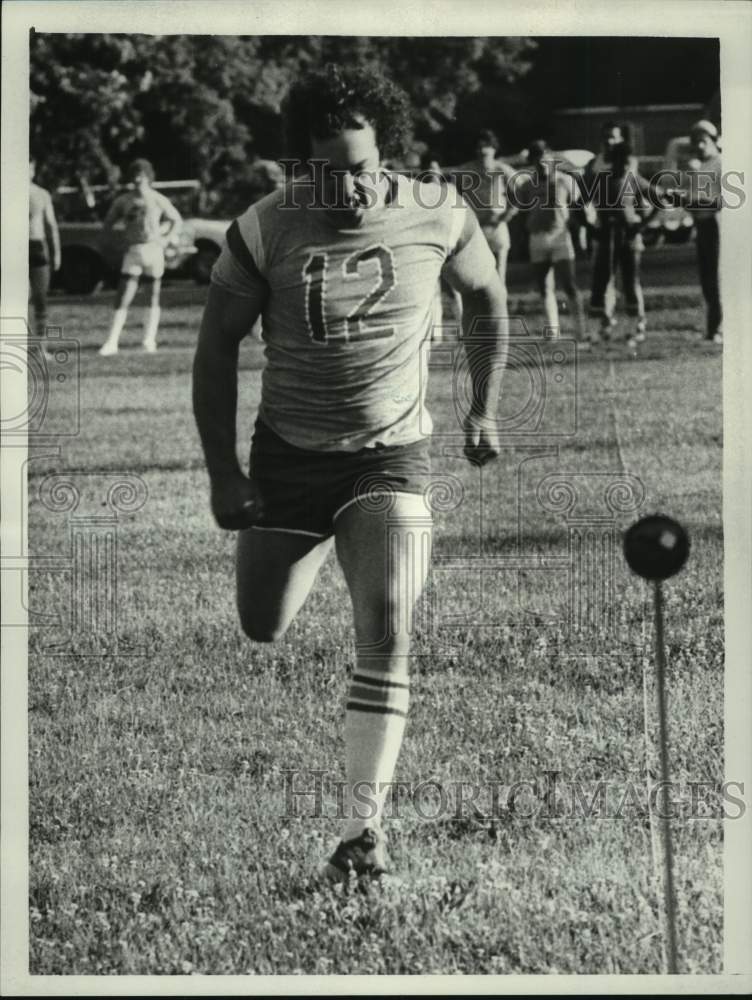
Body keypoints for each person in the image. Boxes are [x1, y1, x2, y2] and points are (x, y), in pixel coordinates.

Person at [192, 64, 508, 884]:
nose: (352, 188)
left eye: (364, 169)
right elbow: (216, 346)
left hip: (390, 455)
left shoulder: (440, 212)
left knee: (390, 624)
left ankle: (362, 836)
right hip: (289, 458)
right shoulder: (264, 229)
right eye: (329, 172)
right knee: (262, 625)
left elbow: (486, 299)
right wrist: (225, 475)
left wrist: (483, 407)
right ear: (300, 167)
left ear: (387, 157)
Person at [98, 159, 182, 356]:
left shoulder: (158, 198)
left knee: (153, 295)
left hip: (154, 251)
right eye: (135, 176)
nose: (138, 180)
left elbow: (176, 220)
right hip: (133, 252)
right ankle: (112, 342)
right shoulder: (123, 201)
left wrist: (165, 238)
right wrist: (116, 243)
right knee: (124, 295)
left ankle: (148, 340)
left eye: (142, 176)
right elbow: (108, 224)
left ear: (149, 178)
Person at [513, 140, 592, 344]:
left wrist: (581, 234)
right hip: (537, 238)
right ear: (532, 161)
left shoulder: (564, 180)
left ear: (551, 158)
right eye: (536, 159)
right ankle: (552, 331)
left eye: (544, 157)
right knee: (544, 286)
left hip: (560, 236)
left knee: (568, 284)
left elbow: (578, 209)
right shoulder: (527, 185)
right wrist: (523, 237)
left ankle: (580, 330)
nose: (541, 162)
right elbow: (522, 213)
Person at [587, 141, 655, 349]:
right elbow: (576, 204)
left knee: (630, 281)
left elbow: (658, 199)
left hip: (628, 236)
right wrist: (592, 228)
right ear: (611, 161)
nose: (624, 165)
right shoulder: (600, 180)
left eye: (626, 162)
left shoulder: (633, 179)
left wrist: (640, 225)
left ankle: (634, 329)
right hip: (606, 234)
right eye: (619, 161)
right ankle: (599, 330)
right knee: (601, 281)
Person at [448, 130, 517, 321]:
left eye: (486, 148)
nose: (482, 152)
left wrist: (506, 214)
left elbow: (522, 192)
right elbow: (454, 189)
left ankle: (500, 319)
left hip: (497, 227)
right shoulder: (466, 170)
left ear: (494, 150)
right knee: (473, 275)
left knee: (499, 275)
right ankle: (477, 316)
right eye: (479, 148)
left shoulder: (502, 169)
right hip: (476, 228)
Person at [681, 120, 723, 343]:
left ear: (713, 140)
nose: (699, 145)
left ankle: (718, 328)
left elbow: (725, 200)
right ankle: (711, 327)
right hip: (702, 225)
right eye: (695, 141)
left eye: (703, 140)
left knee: (717, 278)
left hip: (718, 225)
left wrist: (700, 204)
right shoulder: (698, 166)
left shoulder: (721, 163)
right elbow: (691, 200)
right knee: (706, 278)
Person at [29, 157, 61, 345]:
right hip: (14, 248)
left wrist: (57, 253)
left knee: (41, 298)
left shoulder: (42, 194)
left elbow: (51, 226)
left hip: (37, 247)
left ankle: (41, 345)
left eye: (29, 169)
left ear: (33, 171)